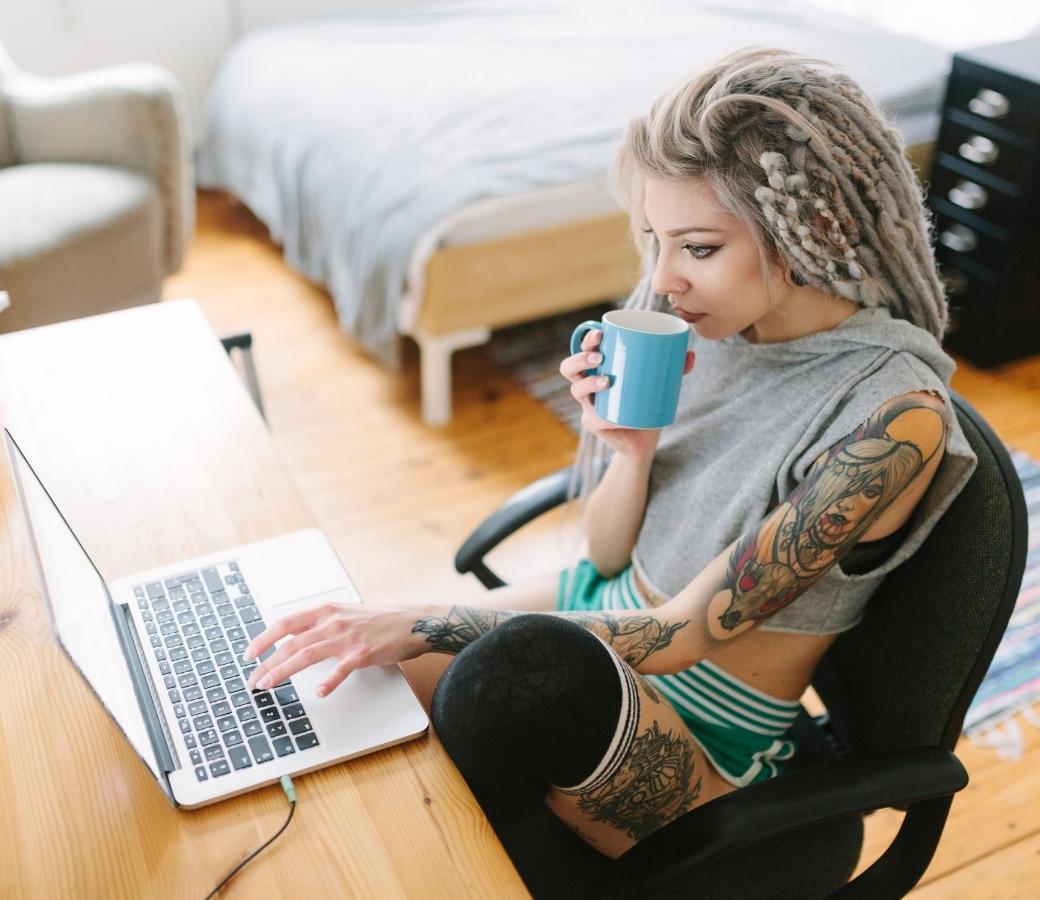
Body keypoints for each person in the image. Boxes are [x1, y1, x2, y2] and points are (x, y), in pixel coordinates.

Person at [243, 47, 977, 864]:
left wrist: (423, 621)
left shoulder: (894, 421)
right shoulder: (724, 329)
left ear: (815, 231)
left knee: (488, 675)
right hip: (604, 611)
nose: (662, 281)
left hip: (697, 726)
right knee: (340, 690)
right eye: (655, 240)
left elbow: (682, 636)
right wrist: (629, 452)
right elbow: (604, 556)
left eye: (697, 247)